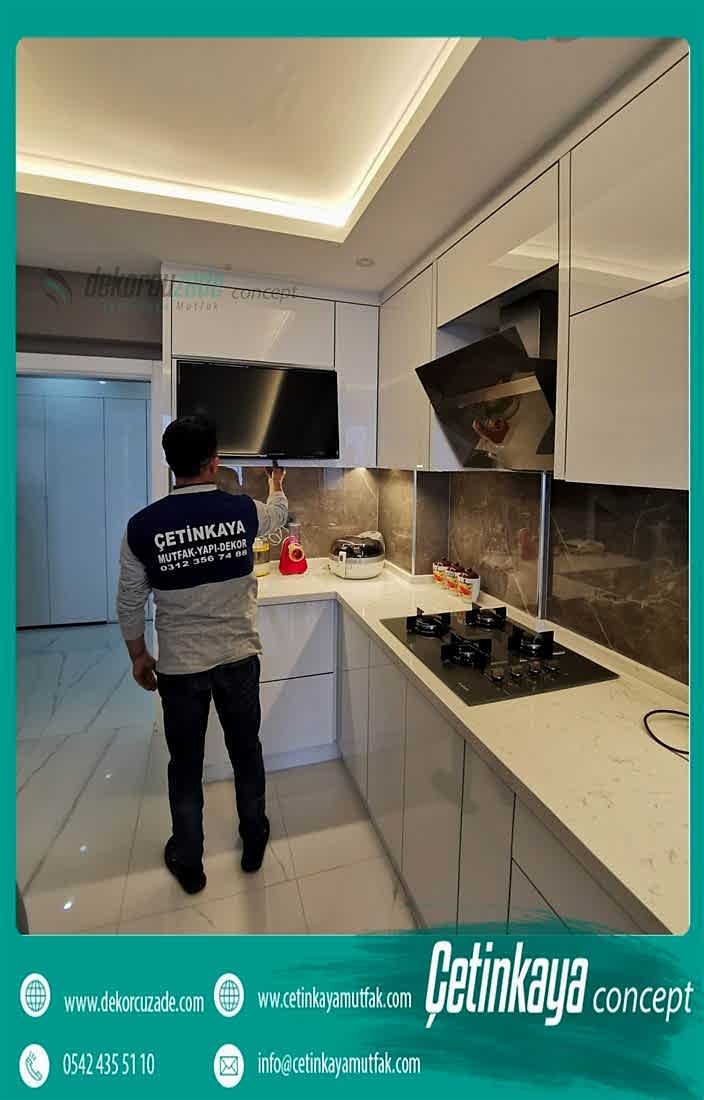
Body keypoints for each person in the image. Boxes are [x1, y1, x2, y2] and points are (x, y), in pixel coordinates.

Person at [116, 415, 288, 895]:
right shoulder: (242, 511)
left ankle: (189, 861)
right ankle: (253, 839)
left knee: (186, 765)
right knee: (246, 752)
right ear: (214, 462)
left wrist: (138, 655)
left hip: (180, 668)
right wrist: (276, 485)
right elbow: (276, 521)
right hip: (238, 660)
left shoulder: (141, 527)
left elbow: (129, 602)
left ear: (170, 464)